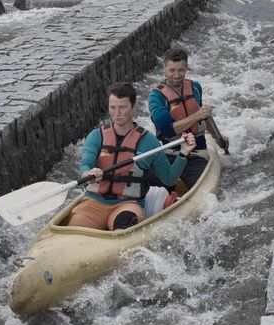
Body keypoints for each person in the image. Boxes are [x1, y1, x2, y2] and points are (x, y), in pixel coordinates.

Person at [66, 82, 196, 230]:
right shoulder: (96, 136)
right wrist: (89, 174)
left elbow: (169, 178)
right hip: (93, 203)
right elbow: (85, 165)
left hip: (127, 204)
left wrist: (183, 153)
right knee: (74, 231)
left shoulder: (149, 142)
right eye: (112, 107)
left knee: (125, 223)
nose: (117, 113)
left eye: (122, 107)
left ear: (133, 107)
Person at [148, 47, 214, 190]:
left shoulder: (195, 87)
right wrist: (196, 116)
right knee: (146, 183)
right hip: (169, 154)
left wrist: (219, 138)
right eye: (172, 70)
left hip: (197, 153)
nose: (177, 75)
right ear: (164, 68)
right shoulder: (156, 97)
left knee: (203, 191)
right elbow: (168, 130)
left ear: (186, 68)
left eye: (181, 70)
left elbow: (204, 117)